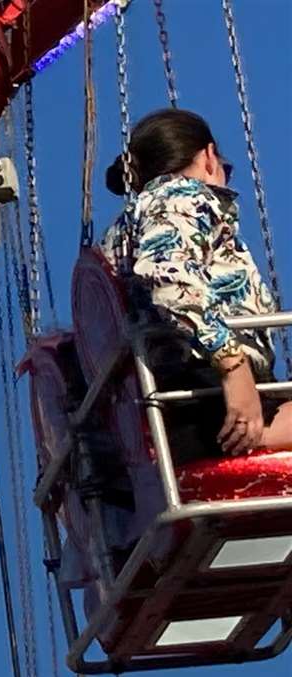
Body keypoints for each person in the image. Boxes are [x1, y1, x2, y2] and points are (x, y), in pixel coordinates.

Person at [104, 108, 291, 461]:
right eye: (225, 168)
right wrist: (234, 370)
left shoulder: (124, 229)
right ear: (208, 156)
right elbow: (169, 277)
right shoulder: (184, 196)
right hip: (208, 399)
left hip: (165, 407)